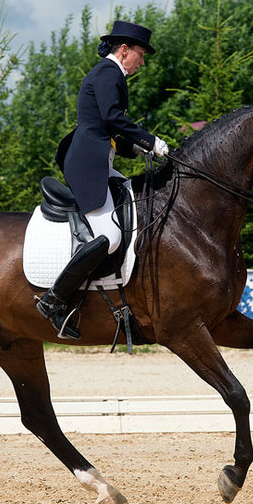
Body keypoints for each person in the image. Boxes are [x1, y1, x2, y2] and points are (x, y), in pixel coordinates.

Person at [36, 20, 169, 339]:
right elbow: (112, 118)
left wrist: (135, 147)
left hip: (100, 159)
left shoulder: (111, 74)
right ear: (124, 51)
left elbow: (108, 128)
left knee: (135, 210)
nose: (142, 61)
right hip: (87, 164)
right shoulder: (109, 73)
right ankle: (54, 300)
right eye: (141, 54)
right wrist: (150, 140)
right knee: (108, 235)